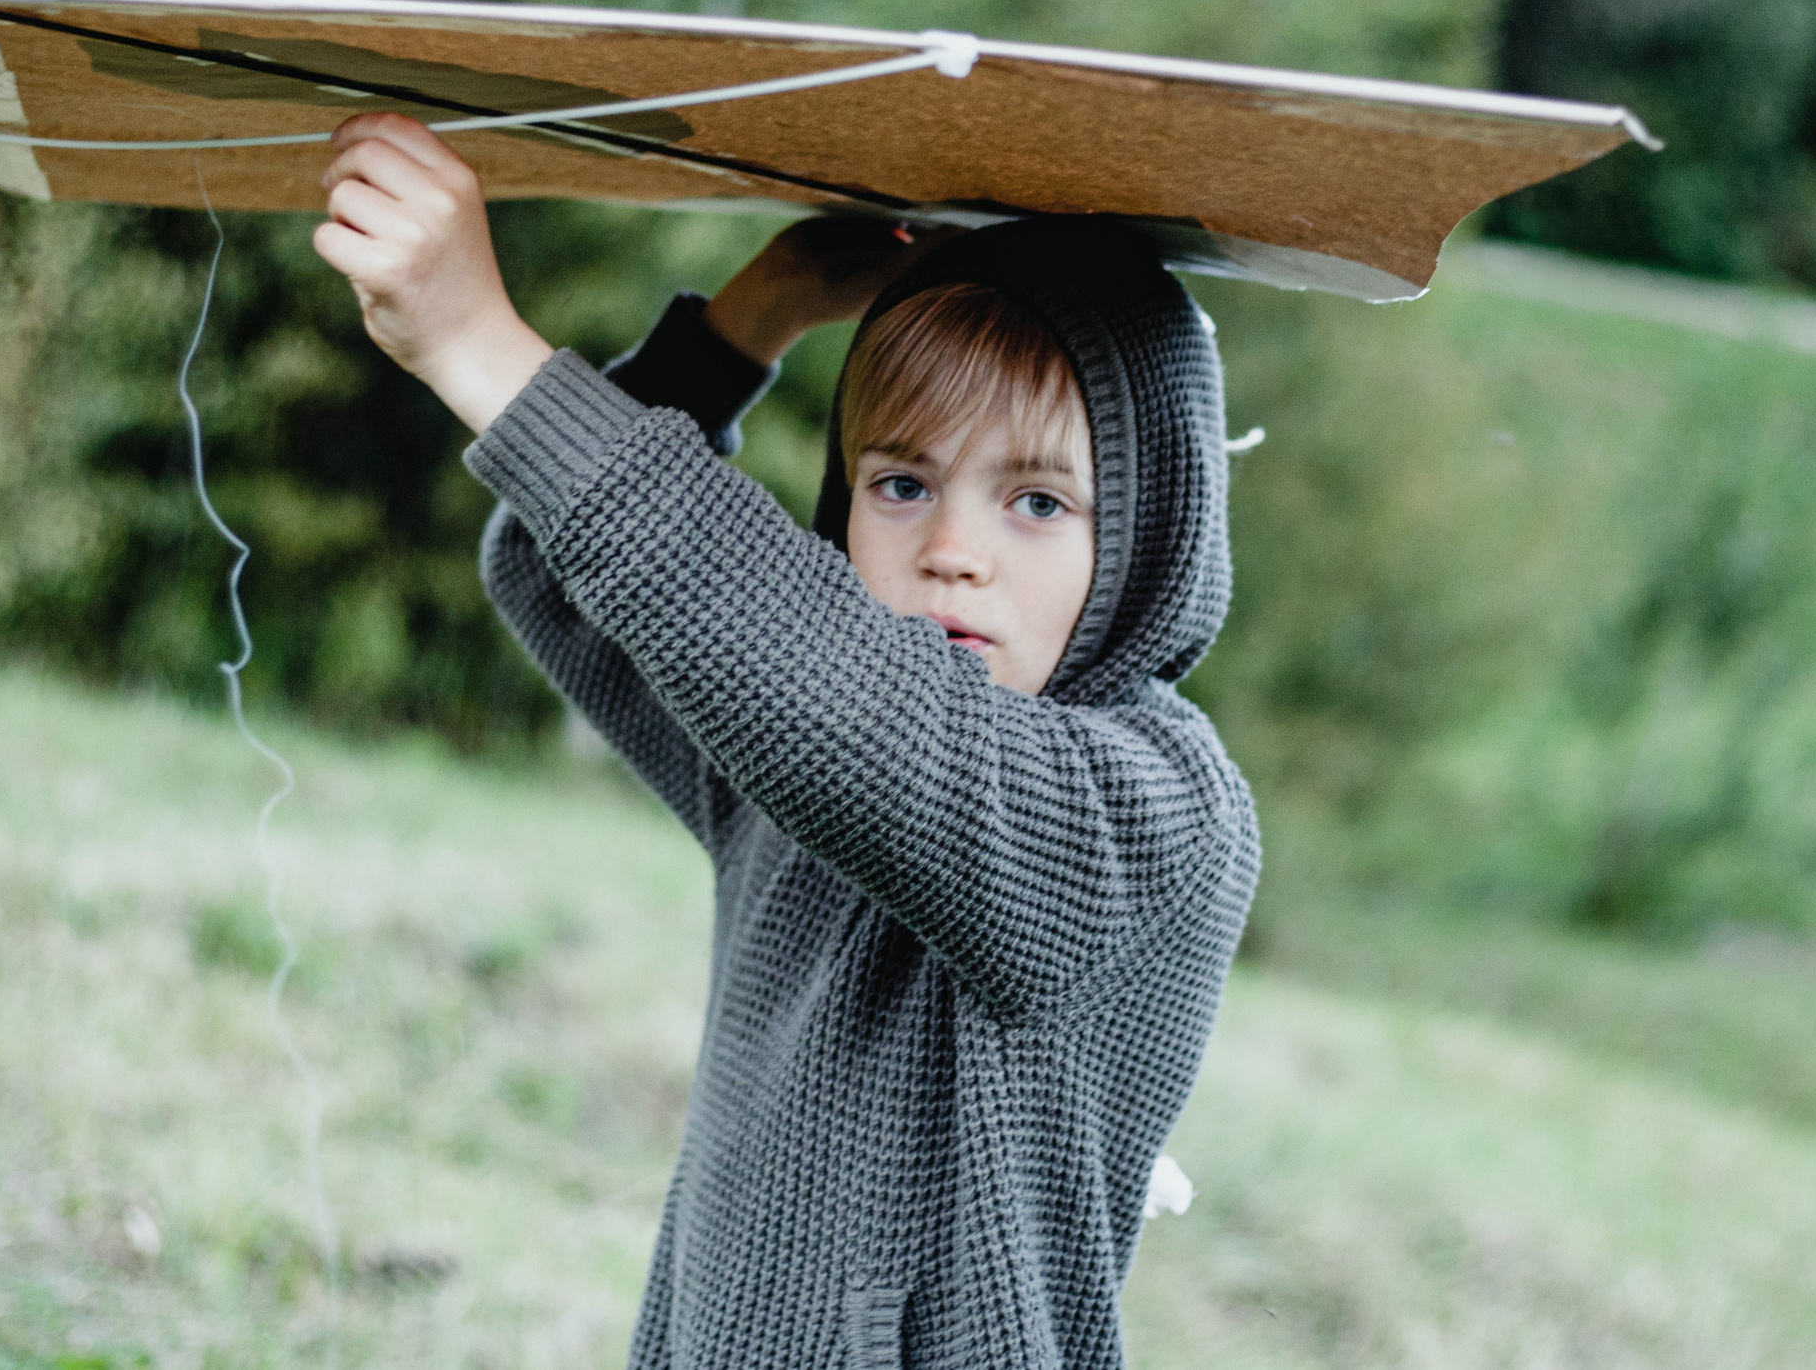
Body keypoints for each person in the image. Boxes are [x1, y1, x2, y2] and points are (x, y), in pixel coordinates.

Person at [309, 111, 1260, 1369]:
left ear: (1153, 529)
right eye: (900, 483)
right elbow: (550, 567)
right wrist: (752, 318)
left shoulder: (1157, 808)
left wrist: (481, 343)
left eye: (1037, 500)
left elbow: (878, 730)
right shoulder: (790, 761)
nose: (952, 552)